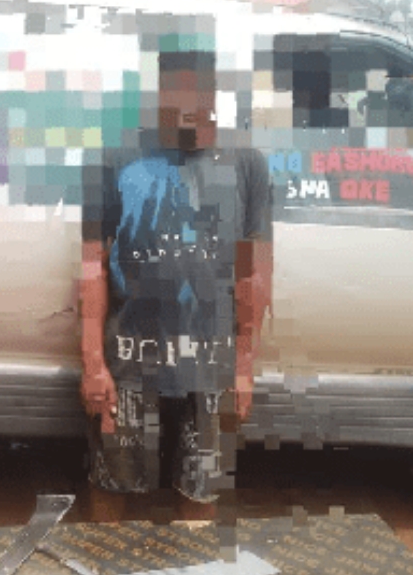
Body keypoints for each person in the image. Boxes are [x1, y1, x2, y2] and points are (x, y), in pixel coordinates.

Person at [79, 36, 273, 523]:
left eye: (197, 91)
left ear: (213, 94)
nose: (186, 103)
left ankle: (191, 569)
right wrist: (93, 363)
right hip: (129, 358)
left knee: (201, 492)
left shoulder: (247, 164)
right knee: (112, 483)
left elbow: (253, 273)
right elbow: (91, 265)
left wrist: (243, 365)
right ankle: (106, 565)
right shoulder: (114, 157)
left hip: (211, 364)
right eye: (175, 91)